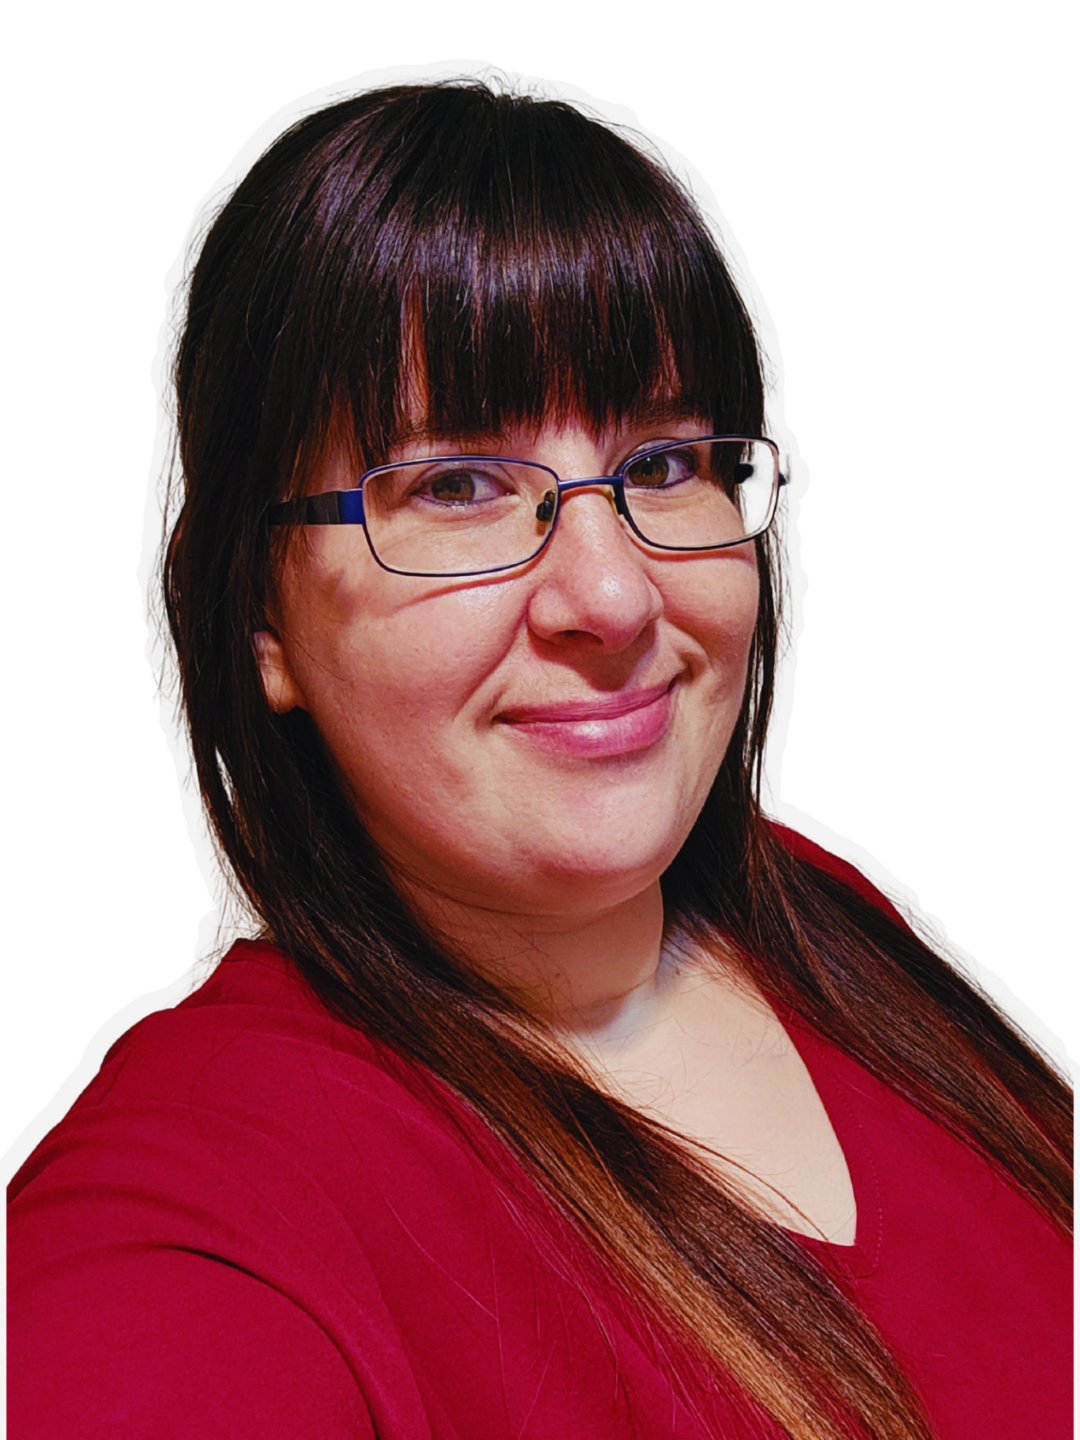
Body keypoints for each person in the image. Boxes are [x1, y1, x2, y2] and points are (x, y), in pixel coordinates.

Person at [10, 79, 1071, 1439]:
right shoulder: (204, 1210)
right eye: (455, 484)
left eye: (668, 460)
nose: (617, 598)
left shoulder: (812, 914)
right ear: (260, 617)